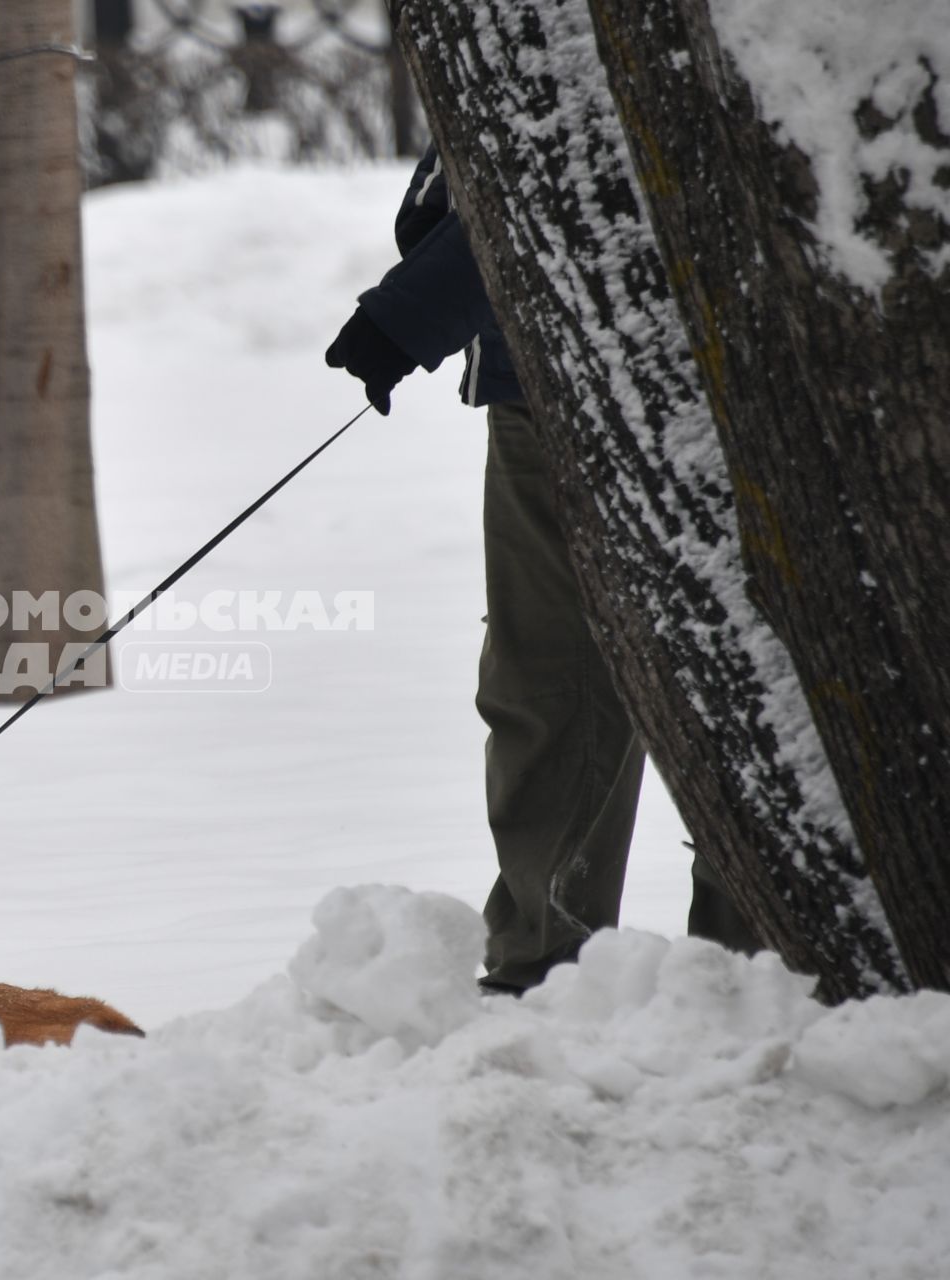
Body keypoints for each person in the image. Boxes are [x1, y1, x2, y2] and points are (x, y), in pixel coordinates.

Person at [324, 144, 759, 993]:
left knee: (722, 690)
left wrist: (409, 315)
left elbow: (567, 179)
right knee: (548, 684)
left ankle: (749, 976)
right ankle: (551, 965)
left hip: (687, 383)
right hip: (543, 385)